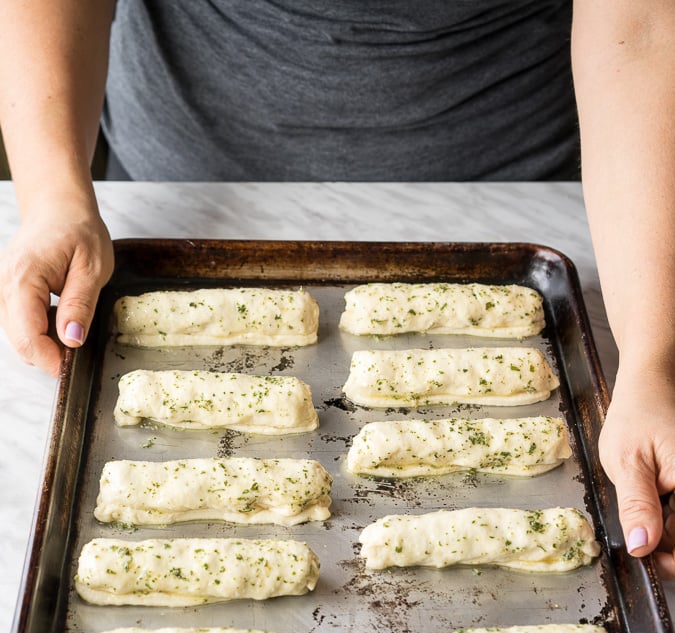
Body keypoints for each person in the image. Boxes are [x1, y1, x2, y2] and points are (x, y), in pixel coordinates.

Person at [0, 1, 674, 578]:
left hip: (525, 183)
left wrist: (651, 357)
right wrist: (55, 194)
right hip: (186, 181)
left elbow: (641, 25)